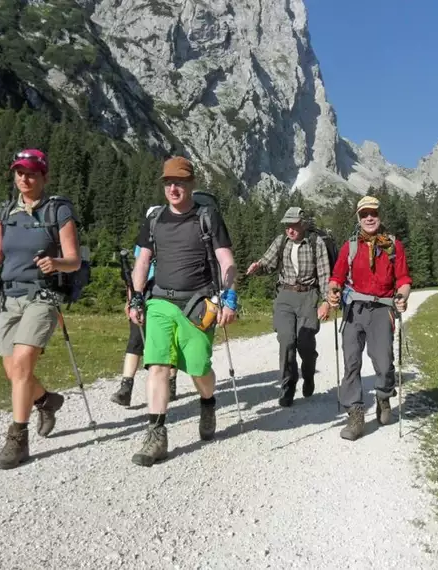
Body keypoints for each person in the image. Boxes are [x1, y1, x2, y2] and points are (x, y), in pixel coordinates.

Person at [0, 149, 81, 469]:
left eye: (32, 173)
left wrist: (56, 263)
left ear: (44, 176)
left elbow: (74, 259)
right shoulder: (6, 211)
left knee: (22, 362)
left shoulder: (58, 211)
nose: (25, 178)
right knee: (13, 372)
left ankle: (18, 438)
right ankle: (46, 401)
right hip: (9, 298)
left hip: (43, 296)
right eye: (20, 172)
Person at [128, 156, 237, 467]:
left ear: (191, 185)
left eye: (180, 182)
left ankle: (208, 402)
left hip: (197, 304)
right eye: (168, 182)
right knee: (158, 365)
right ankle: (156, 433)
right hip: (160, 301)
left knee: (199, 367)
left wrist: (229, 297)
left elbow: (226, 261)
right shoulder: (154, 220)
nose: (173, 188)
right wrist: (137, 297)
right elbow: (143, 262)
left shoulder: (207, 217)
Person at [326, 196, 412, 441]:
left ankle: (383, 395)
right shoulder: (350, 246)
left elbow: (404, 280)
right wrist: (332, 293)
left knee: (384, 363)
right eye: (364, 214)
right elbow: (337, 278)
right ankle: (355, 415)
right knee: (351, 362)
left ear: (380, 215)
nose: (369, 218)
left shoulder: (393, 246)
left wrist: (402, 297)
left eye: (373, 212)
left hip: (382, 309)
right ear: (358, 218)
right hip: (354, 310)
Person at [245, 207, 331, 407]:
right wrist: (258, 267)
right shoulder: (281, 241)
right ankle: (288, 386)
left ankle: (308, 375)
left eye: (293, 225)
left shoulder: (315, 242)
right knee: (286, 341)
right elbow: (267, 263)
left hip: (308, 296)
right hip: (284, 296)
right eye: (287, 226)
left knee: (305, 344)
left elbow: (325, 274)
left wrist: (326, 301)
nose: (290, 230)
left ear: (303, 224)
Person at [110, 206, 178, 407]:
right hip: (144, 294)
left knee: (169, 339)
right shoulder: (142, 245)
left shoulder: (173, 242)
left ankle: (170, 382)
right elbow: (135, 275)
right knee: (135, 339)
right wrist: (130, 299)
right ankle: (126, 387)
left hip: (167, 293)